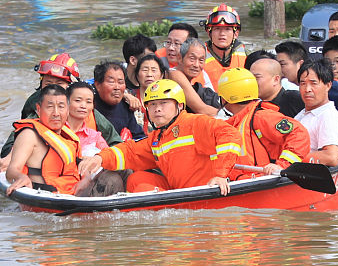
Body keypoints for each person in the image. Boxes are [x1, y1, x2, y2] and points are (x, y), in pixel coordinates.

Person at [79, 79, 242, 194]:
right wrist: (100, 158)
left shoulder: (195, 123)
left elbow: (230, 135)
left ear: (179, 105)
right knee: (136, 179)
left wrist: (221, 176)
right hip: (181, 189)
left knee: (142, 188)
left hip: (206, 189)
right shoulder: (158, 137)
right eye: (152, 104)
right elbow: (131, 152)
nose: (157, 109)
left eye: (164, 103)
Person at [0, 53, 120, 163]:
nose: (53, 90)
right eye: (48, 84)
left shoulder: (88, 112)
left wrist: (98, 159)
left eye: (60, 84)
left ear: (72, 88)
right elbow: (8, 148)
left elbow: (116, 144)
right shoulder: (37, 113)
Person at [216, 67, 310, 176]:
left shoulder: (261, 117)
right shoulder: (237, 122)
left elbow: (299, 134)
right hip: (245, 182)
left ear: (224, 98)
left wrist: (283, 165)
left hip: (262, 182)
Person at [276, 39, 338, 141]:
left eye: (282, 64)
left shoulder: (322, 84)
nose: (278, 69)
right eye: (303, 84)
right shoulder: (287, 88)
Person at [5, 84, 82, 195]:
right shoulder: (29, 134)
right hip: (47, 196)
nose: (56, 113)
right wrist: (21, 177)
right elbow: (12, 170)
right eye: (50, 107)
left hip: (72, 193)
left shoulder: (65, 134)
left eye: (61, 107)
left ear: (68, 110)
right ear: (38, 109)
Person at [294, 60, 338, 168]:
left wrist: (290, 160)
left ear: (328, 85)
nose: (307, 89)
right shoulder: (303, 114)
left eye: (314, 83)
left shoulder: (327, 116)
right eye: (303, 84)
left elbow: (331, 157)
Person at [167, 37, 223, 115]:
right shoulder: (174, 74)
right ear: (180, 58)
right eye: (192, 59)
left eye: (201, 60)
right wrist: (231, 116)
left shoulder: (187, 79)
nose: (196, 65)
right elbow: (201, 109)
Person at [93, 61, 144, 140]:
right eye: (111, 82)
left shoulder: (125, 106)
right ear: (98, 85)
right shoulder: (89, 106)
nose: (117, 87)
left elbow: (139, 136)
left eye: (120, 82)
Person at [200, 4, 247, 86]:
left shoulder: (247, 55)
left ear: (236, 33)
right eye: (217, 29)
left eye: (227, 29)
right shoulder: (198, 55)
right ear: (209, 33)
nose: (222, 33)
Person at [65, 81, 109, 159]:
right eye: (78, 100)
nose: (83, 106)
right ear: (66, 102)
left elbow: (108, 158)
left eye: (88, 102)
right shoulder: (57, 130)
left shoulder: (94, 136)